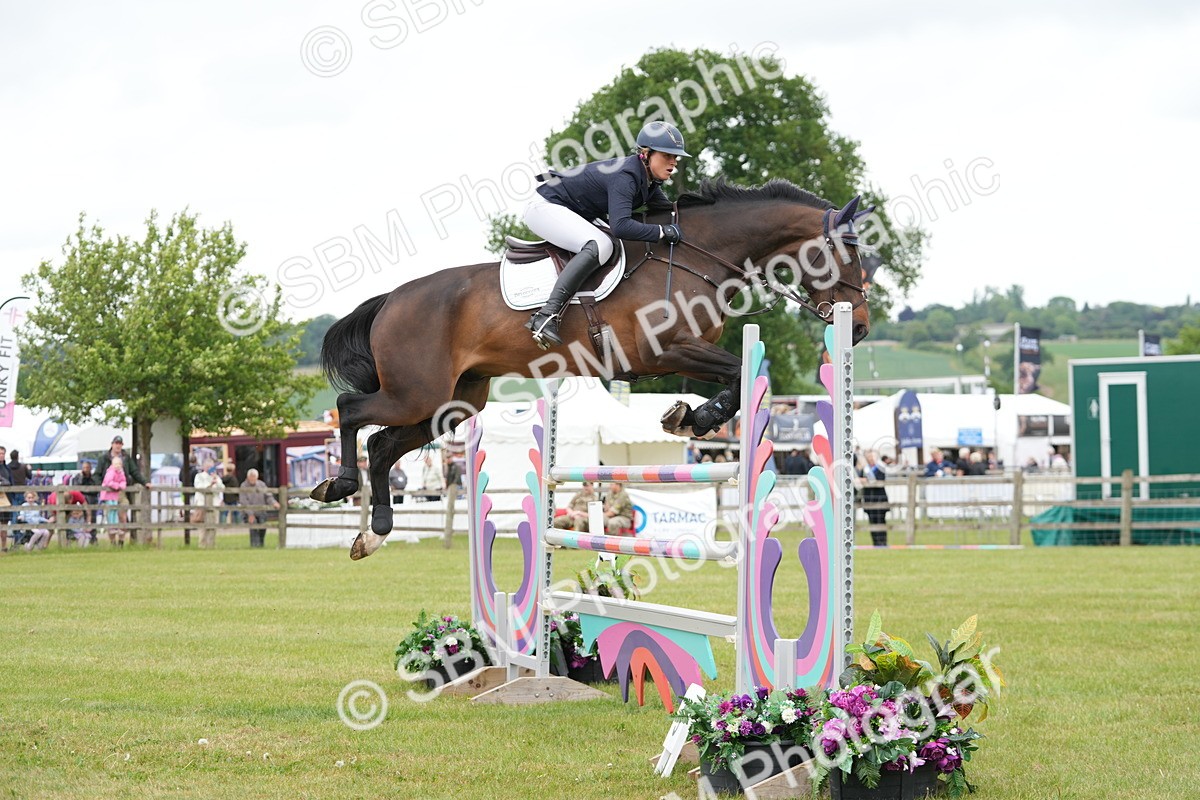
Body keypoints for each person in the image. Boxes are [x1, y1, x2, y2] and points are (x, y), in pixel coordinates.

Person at [522, 120, 689, 348]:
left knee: (609, 243)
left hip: (574, 210)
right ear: (646, 153)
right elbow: (621, 226)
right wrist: (661, 232)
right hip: (545, 207)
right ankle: (546, 315)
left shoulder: (649, 182)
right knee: (601, 244)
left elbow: (669, 212)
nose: (673, 162)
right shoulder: (626, 176)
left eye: (675, 157)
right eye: (667, 155)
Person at [96, 436, 147, 541]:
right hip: (109, 493)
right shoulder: (104, 458)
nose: (118, 446)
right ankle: (112, 542)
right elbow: (97, 475)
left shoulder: (126, 458)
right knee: (111, 516)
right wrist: (102, 487)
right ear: (112, 444)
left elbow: (134, 472)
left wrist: (145, 482)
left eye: (120, 444)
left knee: (123, 515)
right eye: (116, 443)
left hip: (121, 492)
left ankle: (121, 541)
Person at [240, 468, 279, 548]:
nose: (252, 479)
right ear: (248, 477)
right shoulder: (243, 486)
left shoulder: (262, 484)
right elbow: (244, 502)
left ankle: (261, 544)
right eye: (251, 477)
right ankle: (254, 546)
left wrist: (274, 503)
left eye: (254, 477)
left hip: (261, 511)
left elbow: (268, 496)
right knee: (253, 527)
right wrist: (250, 514)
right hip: (249, 512)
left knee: (263, 527)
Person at [858, 451, 889, 547]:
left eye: (872, 457)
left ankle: (883, 542)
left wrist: (866, 480)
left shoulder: (880, 468)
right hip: (869, 499)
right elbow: (859, 479)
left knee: (881, 521)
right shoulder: (865, 469)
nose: (870, 459)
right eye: (869, 457)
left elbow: (876, 480)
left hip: (880, 498)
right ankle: (875, 542)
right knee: (872, 521)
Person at [99, 456, 128, 547]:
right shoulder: (110, 472)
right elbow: (108, 482)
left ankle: (116, 528)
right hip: (108, 494)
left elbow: (123, 481)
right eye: (116, 464)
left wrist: (122, 486)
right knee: (110, 511)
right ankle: (112, 527)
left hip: (115, 495)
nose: (117, 465)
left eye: (119, 464)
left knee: (115, 510)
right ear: (112, 464)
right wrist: (117, 486)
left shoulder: (121, 472)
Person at [0, 446, 12, 552]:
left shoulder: (7, 468)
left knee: (4, 523)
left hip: (6, 499)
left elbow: (10, 483)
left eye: (3, 453)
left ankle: (4, 546)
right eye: (0, 453)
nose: (1, 455)